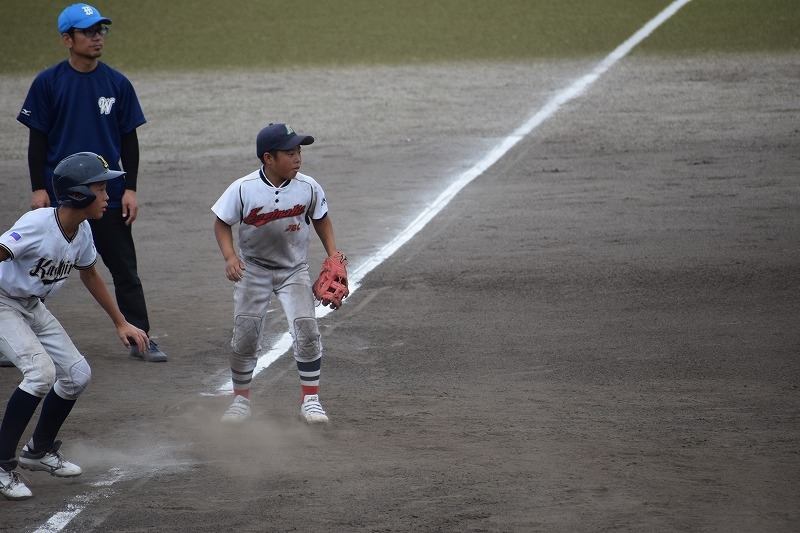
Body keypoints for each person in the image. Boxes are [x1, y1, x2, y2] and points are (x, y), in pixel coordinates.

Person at [14, 3, 166, 363]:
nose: (97, 37)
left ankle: (140, 337)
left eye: (101, 30)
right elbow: (38, 140)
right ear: (67, 39)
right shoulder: (49, 83)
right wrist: (39, 188)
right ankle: (14, 337)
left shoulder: (116, 83)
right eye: (88, 31)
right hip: (61, 197)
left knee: (124, 269)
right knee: (41, 268)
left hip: (107, 194)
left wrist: (130, 188)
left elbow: (129, 140)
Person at [0, 152, 149, 501]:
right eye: (101, 189)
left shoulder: (81, 230)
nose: (108, 196)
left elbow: (90, 274)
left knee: (77, 375)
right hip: (3, 303)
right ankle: (2, 464)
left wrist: (121, 322)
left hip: (32, 305)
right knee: (40, 374)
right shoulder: (37, 224)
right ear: (79, 194)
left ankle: (38, 450)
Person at [212, 123, 345, 424]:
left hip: (294, 270)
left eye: (299, 152)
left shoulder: (308, 187)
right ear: (268, 158)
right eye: (290, 153)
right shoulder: (244, 188)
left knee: (306, 330)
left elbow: (321, 219)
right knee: (245, 336)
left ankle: (311, 400)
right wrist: (230, 257)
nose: (297, 158)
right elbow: (222, 222)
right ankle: (240, 402)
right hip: (253, 270)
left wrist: (333, 255)